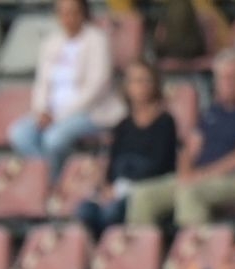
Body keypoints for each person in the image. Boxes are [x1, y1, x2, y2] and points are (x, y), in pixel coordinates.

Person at [126, 50, 235, 229]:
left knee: (190, 193)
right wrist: (185, 173)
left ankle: (192, 244)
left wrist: (204, 175)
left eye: (231, 77)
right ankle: (144, 246)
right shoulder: (211, 112)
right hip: (199, 177)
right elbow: (190, 148)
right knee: (142, 195)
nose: (225, 83)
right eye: (221, 78)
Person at [9, 0, 124, 177]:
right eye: (62, 13)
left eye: (73, 12)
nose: (68, 18)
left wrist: (60, 115)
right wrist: (41, 110)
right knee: (20, 133)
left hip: (90, 112)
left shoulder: (97, 39)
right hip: (51, 113)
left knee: (53, 139)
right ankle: (48, 179)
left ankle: (51, 183)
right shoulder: (52, 42)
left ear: (83, 13)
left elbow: (98, 85)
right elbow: (42, 83)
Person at [76, 61, 177, 237]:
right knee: (85, 210)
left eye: (144, 80)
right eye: (134, 81)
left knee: (112, 213)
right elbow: (113, 163)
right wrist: (107, 187)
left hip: (145, 187)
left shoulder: (165, 122)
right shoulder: (123, 125)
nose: (140, 86)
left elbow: (160, 163)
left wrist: (124, 187)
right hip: (117, 188)